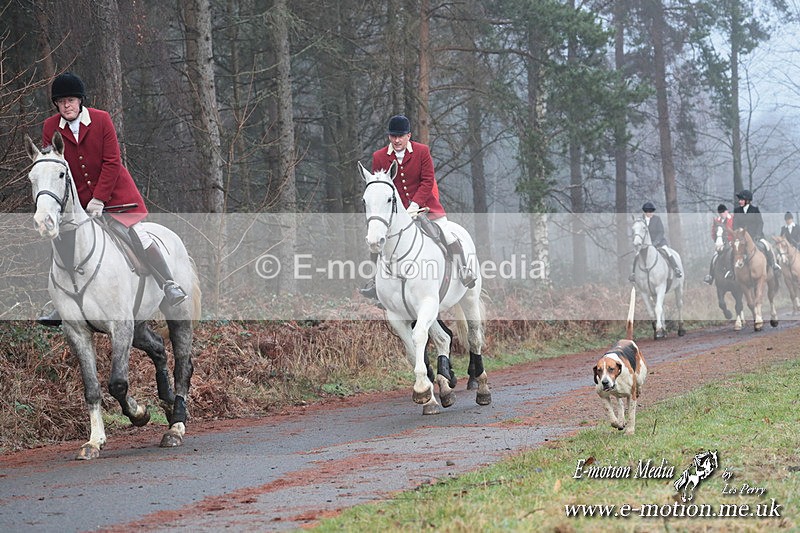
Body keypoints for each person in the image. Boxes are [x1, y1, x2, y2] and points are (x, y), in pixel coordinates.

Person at [38, 72, 186, 326]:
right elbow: (51, 167)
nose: (66, 106)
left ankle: (169, 283)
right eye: (61, 102)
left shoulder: (101, 119)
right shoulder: (50, 127)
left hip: (115, 195)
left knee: (139, 235)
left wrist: (99, 198)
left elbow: (112, 162)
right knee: (59, 242)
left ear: (80, 101)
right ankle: (60, 304)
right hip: (75, 204)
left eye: (71, 100)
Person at [360, 115, 476, 299]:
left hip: (426, 208)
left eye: (401, 136)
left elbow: (428, 181)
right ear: (389, 136)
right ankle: (375, 282)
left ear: (409, 135)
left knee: (447, 233)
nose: (397, 140)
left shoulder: (422, 152)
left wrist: (414, 205)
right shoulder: (379, 157)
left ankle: (464, 270)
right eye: (393, 136)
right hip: (396, 214)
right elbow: (380, 189)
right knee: (377, 239)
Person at [629, 202, 682, 282]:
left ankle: (676, 269)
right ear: (644, 212)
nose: (650, 213)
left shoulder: (657, 219)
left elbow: (661, 232)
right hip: (645, 245)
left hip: (659, 242)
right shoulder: (641, 221)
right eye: (648, 211)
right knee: (637, 255)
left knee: (667, 251)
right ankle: (633, 274)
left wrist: (655, 242)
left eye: (651, 211)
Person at [732, 189, 780, 274]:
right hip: (742, 238)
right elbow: (735, 225)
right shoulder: (737, 211)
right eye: (739, 200)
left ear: (747, 200)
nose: (740, 201)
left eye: (741, 200)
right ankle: (731, 270)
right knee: (733, 251)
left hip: (755, 236)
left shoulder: (755, 210)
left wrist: (758, 234)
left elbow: (760, 223)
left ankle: (773, 264)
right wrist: (737, 234)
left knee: (767, 246)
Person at [703, 204, 734, 285]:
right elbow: (713, 234)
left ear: (727, 211)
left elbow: (736, 231)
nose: (721, 214)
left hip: (732, 243)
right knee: (714, 257)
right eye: (720, 213)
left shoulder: (733, 219)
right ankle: (710, 276)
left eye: (723, 212)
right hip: (721, 245)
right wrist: (717, 242)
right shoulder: (717, 221)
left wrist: (732, 241)